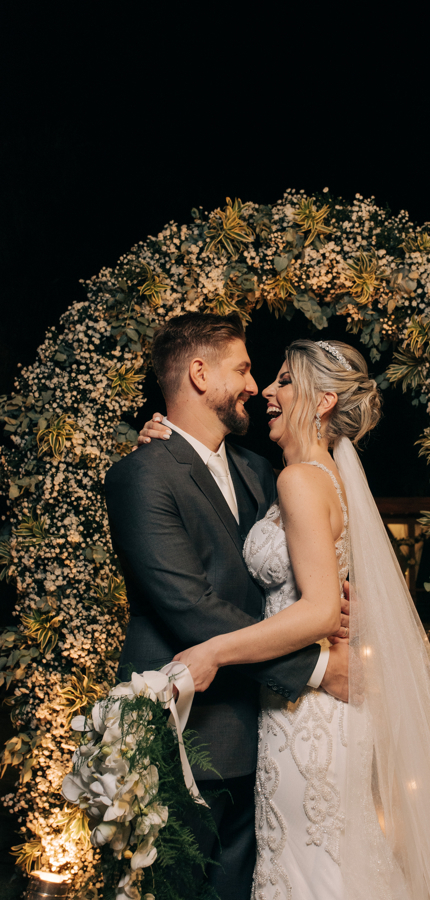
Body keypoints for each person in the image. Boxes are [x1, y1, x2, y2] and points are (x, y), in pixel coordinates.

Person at [141, 337, 430, 900]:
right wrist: (165, 438)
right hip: (296, 709)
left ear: (321, 401)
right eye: (261, 378)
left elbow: (320, 608)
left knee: (313, 869)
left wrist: (216, 650)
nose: (266, 392)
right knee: (321, 861)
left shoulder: (299, 480)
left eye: (283, 381)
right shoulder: (307, 475)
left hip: (309, 718)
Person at [104, 314, 350, 900]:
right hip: (185, 738)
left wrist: (344, 593)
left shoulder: (263, 471)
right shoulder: (142, 474)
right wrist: (317, 668)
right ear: (198, 373)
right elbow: (191, 609)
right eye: (241, 368)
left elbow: (300, 564)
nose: (253, 385)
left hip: (266, 734)